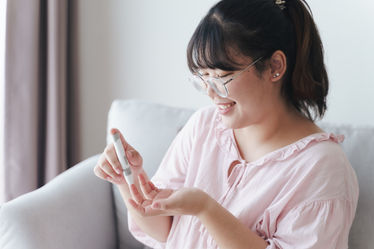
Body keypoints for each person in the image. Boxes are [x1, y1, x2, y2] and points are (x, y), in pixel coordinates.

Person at [93, 0, 359, 248]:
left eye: (222, 77)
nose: (210, 92)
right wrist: (128, 181)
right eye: (203, 77)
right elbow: (163, 231)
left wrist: (206, 209)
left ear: (274, 67)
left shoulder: (321, 168)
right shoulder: (204, 127)